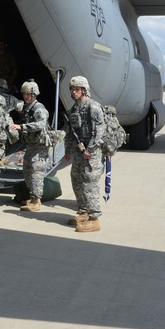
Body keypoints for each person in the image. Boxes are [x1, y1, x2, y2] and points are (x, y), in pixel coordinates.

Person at [64, 76, 106, 232]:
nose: (73, 92)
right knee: (76, 178)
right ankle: (83, 211)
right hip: (78, 153)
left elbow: (98, 131)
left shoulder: (93, 107)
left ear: (84, 90)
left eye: (76, 89)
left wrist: (90, 149)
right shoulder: (74, 109)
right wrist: (67, 150)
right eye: (72, 89)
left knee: (89, 184)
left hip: (91, 154)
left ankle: (94, 219)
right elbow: (69, 132)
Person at [9, 80, 50, 212]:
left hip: (39, 146)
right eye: (24, 94)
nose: (25, 96)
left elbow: (41, 124)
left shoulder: (39, 109)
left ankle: (36, 200)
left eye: (28, 94)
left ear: (34, 95)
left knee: (36, 171)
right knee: (27, 169)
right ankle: (32, 196)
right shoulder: (28, 108)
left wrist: (22, 127)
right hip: (31, 144)